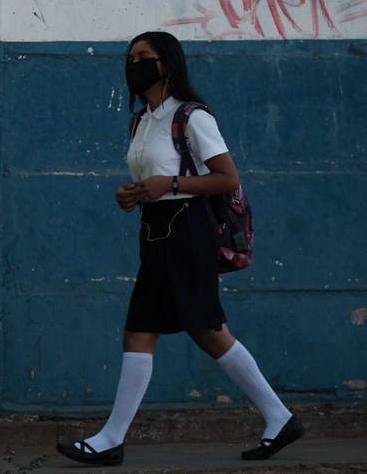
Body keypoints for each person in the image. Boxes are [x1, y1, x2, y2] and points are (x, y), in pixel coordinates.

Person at [56, 31, 303, 466]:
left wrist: (168, 185)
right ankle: (279, 417)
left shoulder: (191, 117)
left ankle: (112, 439)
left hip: (187, 235)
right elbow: (152, 179)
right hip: (155, 234)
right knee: (198, 330)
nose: (134, 64)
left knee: (162, 330)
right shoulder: (141, 120)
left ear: (166, 64)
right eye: (130, 57)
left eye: (144, 57)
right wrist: (131, 195)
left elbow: (227, 178)